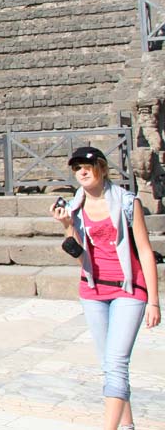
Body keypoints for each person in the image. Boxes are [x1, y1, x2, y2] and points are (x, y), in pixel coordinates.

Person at [51, 146, 160, 430]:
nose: (81, 172)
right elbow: (78, 255)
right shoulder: (75, 207)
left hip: (128, 288)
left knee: (116, 364)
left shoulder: (127, 202)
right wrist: (66, 226)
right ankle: (127, 426)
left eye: (86, 166)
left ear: (101, 167)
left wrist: (154, 301)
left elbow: (146, 252)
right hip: (93, 292)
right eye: (76, 168)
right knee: (110, 366)